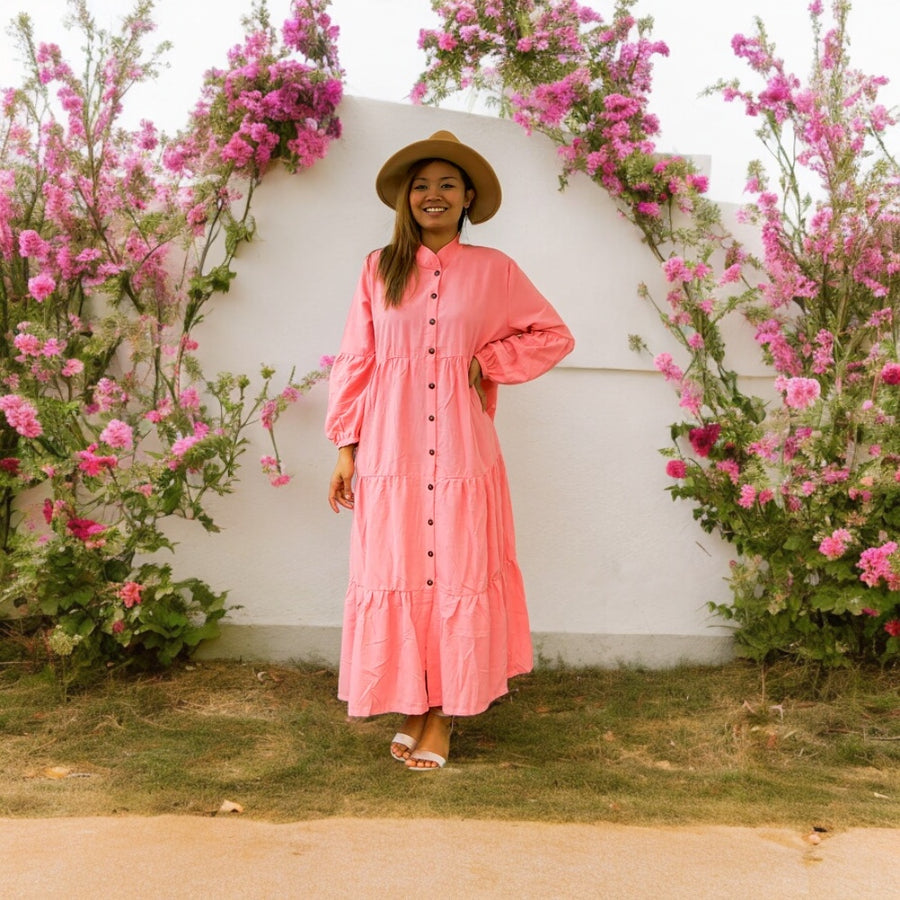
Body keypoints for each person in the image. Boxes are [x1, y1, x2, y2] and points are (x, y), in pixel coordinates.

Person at [325, 130, 574, 770]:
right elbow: (358, 358)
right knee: (402, 568)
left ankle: (441, 714)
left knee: (455, 568)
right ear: (406, 200)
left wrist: (488, 360)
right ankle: (414, 699)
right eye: (421, 185)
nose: (432, 195)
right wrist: (346, 448)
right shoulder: (378, 268)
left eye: (446, 184)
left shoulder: (495, 271)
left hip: (463, 452)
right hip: (391, 448)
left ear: (466, 198)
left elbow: (553, 334)